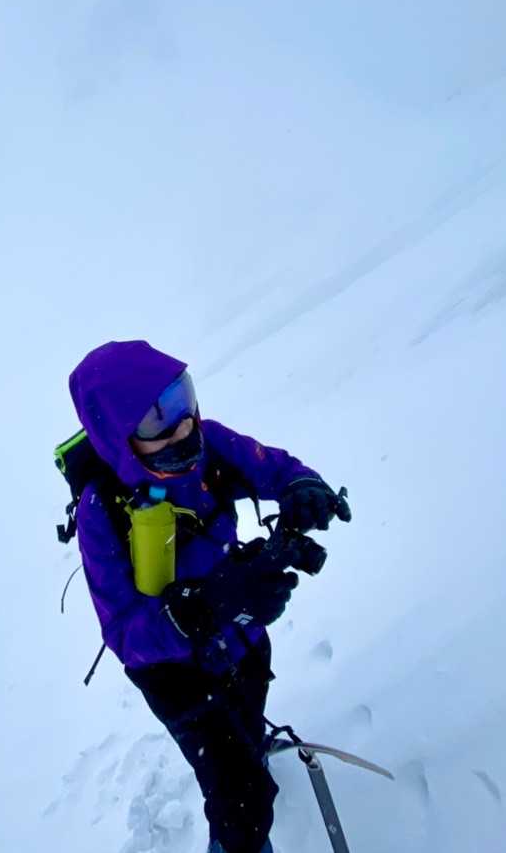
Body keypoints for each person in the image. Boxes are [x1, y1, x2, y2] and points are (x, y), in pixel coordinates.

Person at [68, 340, 349, 853]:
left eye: (181, 400)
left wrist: (303, 486)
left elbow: (272, 467)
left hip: (243, 634)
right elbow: (125, 635)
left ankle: (250, 746)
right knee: (240, 800)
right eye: (155, 420)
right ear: (118, 436)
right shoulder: (101, 510)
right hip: (175, 675)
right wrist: (208, 605)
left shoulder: (208, 445)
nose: (182, 427)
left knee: (249, 713)